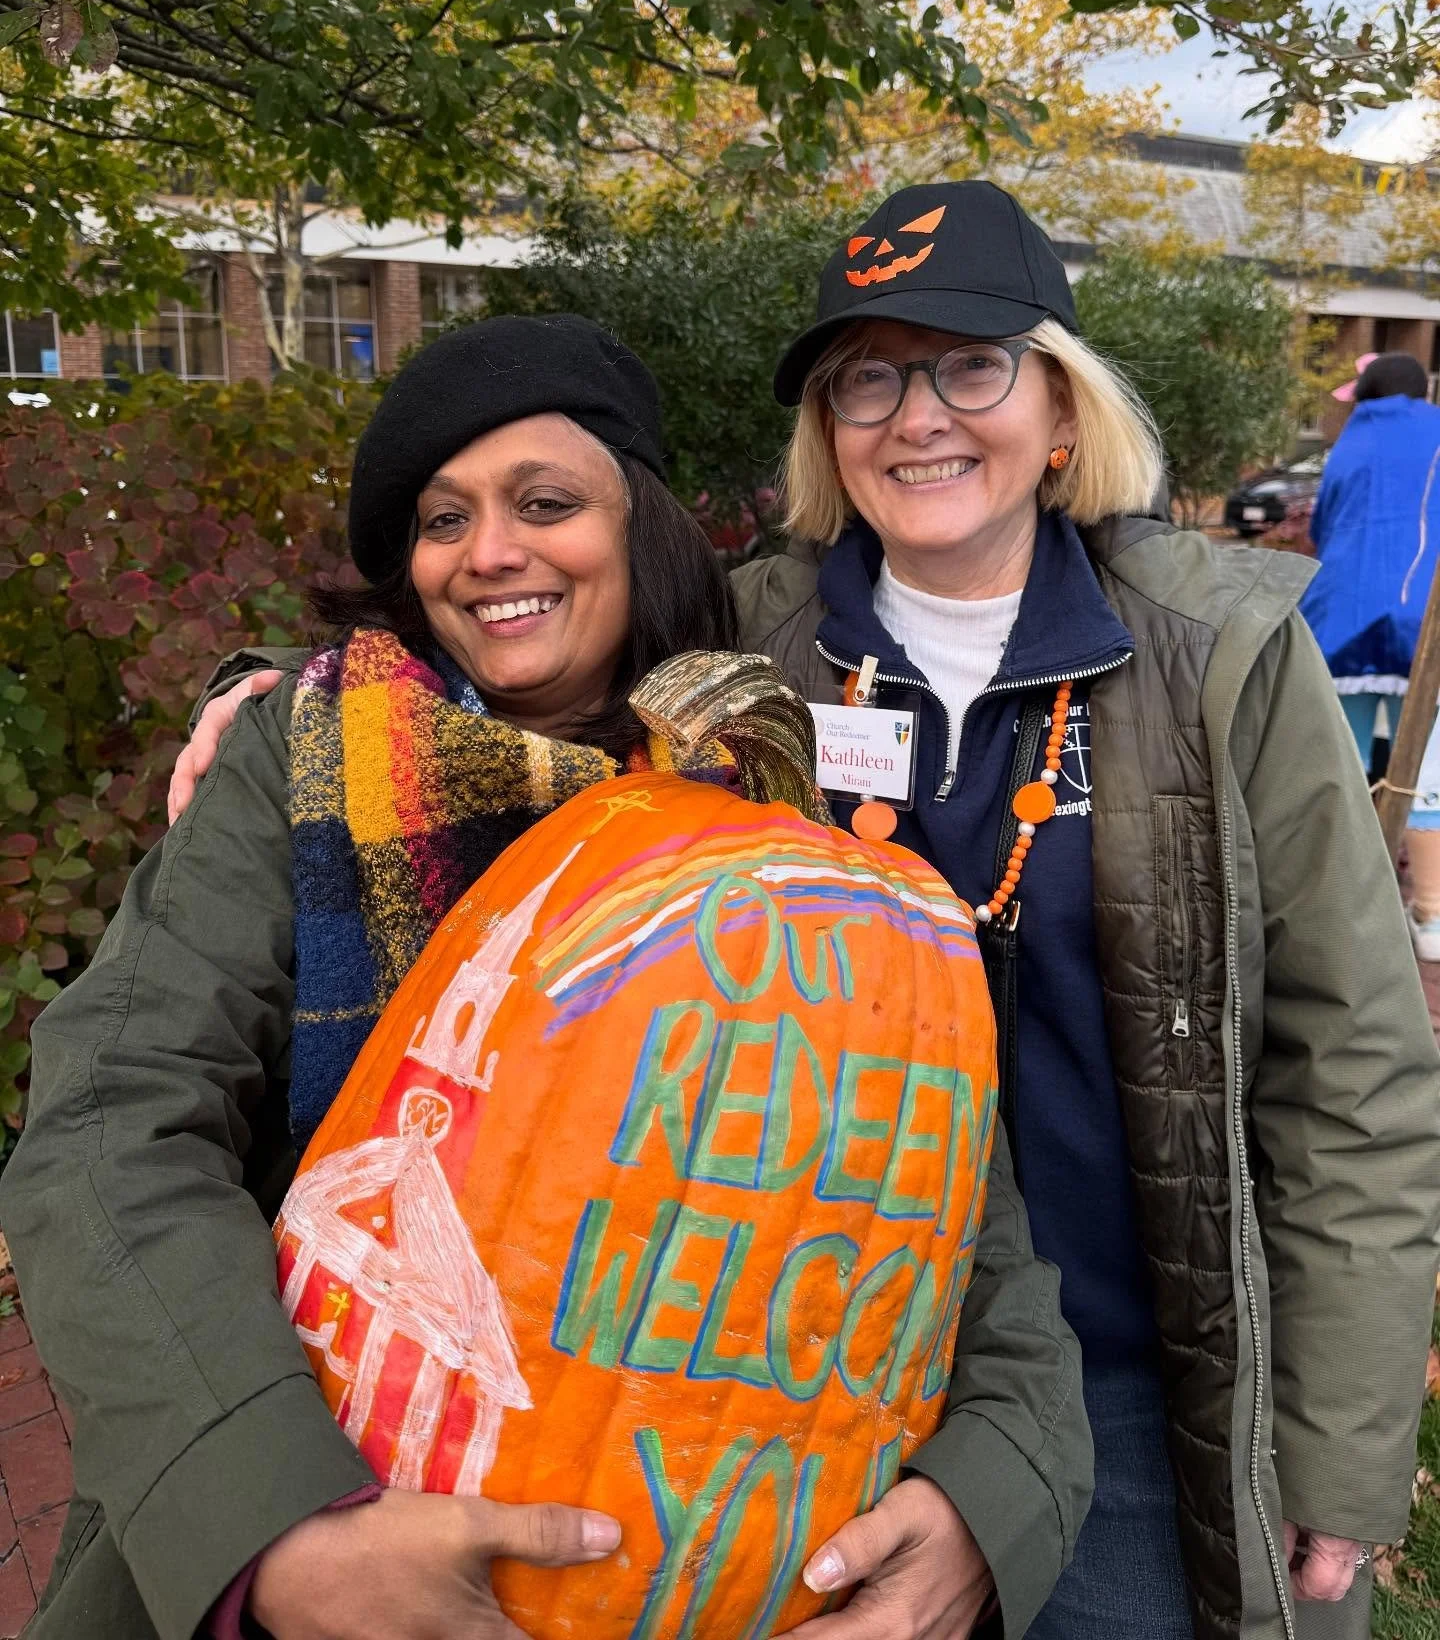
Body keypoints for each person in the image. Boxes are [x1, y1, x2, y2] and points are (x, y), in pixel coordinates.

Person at [173, 191, 1440, 1639]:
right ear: (828, 432)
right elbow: (498, 652)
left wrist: (1338, 1442)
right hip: (785, 1375)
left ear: (1063, 410)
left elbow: (1351, 1066)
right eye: (869, 379)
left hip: (1133, 1370)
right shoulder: (741, 635)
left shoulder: (1222, 665)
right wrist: (274, 697)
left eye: (972, 366)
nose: (920, 419)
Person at [2, 313, 1092, 1640]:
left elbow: (947, 1206)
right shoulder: (306, 766)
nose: (490, 553)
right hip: (322, 1558)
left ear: (640, 525)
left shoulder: (782, 833)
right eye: (442, 520)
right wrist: (274, 1528)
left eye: (546, 502)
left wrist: (990, 1500)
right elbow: (111, 1130)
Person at [1299, 350, 1440, 957]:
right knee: (1429, 768)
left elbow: (1325, 526)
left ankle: (1341, 903)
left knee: (1345, 759)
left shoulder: (1350, 446)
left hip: (1346, 617)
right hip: (1429, 622)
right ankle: (1431, 914)